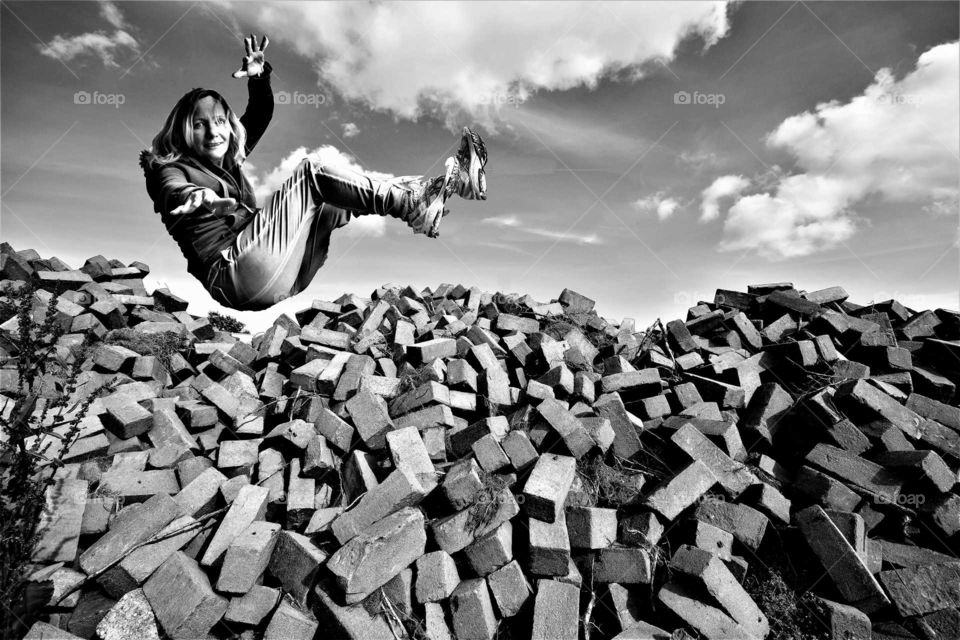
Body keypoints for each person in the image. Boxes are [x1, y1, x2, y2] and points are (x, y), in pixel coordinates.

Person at [139, 34, 487, 311]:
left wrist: (259, 77)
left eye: (219, 122)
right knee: (312, 172)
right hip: (233, 273)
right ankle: (414, 204)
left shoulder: (228, 159)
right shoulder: (167, 169)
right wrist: (196, 197)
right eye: (201, 125)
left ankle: (439, 190)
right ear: (184, 130)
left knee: (338, 195)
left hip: (277, 274)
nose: (214, 132)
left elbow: (259, 114)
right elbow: (172, 189)